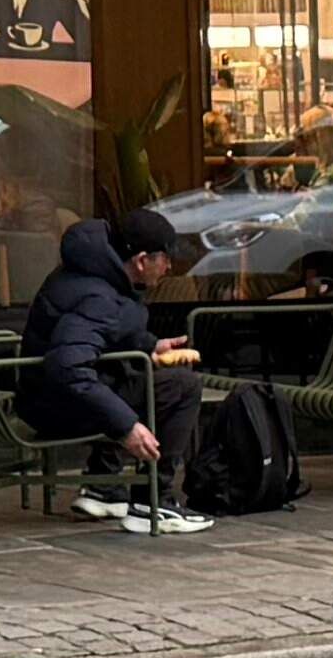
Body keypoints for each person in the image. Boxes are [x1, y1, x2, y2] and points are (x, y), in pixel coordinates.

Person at [16, 209, 208, 539]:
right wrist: (126, 427)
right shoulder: (100, 296)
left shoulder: (93, 273)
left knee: (134, 376)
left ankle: (103, 487)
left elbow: (102, 333)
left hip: (41, 397)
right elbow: (69, 366)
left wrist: (149, 346)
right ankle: (153, 502)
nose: (169, 268)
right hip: (57, 408)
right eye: (165, 259)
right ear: (142, 260)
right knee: (182, 386)